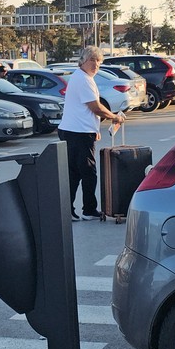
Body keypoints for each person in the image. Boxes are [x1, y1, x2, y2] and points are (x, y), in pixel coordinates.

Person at [57, 45, 125, 221]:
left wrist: (94, 129)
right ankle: (88, 209)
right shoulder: (84, 80)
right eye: (92, 60)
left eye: (98, 61)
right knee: (88, 172)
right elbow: (95, 107)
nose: (96, 64)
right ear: (83, 61)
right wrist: (114, 117)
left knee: (74, 173)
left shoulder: (81, 77)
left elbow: (85, 110)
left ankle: (68, 210)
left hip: (76, 130)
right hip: (77, 133)